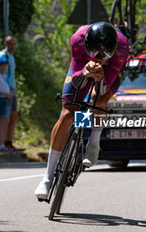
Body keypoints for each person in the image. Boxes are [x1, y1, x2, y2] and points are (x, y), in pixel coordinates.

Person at [35, 22, 129, 200]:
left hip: (111, 69)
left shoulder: (121, 49)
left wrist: (100, 76)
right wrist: (84, 72)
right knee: (69, 113)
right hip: (82, 63)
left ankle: (94, 142)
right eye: (95, 55)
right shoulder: (77, 40)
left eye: (102, 56)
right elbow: (77, 80)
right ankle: (47, 178)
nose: (98, 58)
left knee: (99, 99)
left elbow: (102, 89)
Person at [0, 35, 24, 152]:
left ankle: (8, 143)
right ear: (5, 44)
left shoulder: (11, 57)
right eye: (10, 44)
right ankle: (2, 144)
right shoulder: (2, 55)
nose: (13, 47)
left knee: (13, 117)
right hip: (4, 93)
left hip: (11, 91)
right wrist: (0, 85)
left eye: (14, 44)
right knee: (3, 118)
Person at [0, 56, 15, 152]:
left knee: (5, 122)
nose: (4, 67)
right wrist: (4, 94)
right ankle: (0, 145)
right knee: (1, 123)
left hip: (7, 101)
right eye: (2, 65)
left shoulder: (4, 76)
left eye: (5, 65)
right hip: (1, 100)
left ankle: (3, 144)